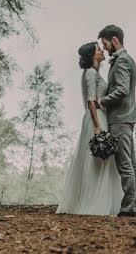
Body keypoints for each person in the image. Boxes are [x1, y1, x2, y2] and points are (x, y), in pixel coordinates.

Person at [55, 41, 124, 215]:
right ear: (93, 56)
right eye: (99, 49)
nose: (102, 51)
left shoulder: (94, 73)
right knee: (96, 160)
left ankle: (101, 200)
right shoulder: (91, 73)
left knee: (100, 160)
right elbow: (91, 101)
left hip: (99, 117)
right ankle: (94, 202)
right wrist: (97, 126)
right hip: (96, 118)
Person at [97, 24, 136, 217]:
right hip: (127, 117)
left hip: (120, 118)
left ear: (115, 40)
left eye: (106, 43)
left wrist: (103, 100)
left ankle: (128, 209)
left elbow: (122, 90)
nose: (105, 47)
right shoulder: (126, 59)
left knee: (124, 165)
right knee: (132, 164)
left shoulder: (122, 61)